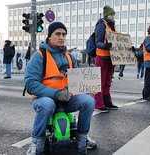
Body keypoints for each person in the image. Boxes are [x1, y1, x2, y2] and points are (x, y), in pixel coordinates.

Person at [24, 22, 97, 155]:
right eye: (57, 34)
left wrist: (87, 89)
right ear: (49, 37)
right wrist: (56, 94)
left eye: (64, 34)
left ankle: (82, 137)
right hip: (46, 99)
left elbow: (77, 82)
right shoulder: (39, 56)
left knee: (89, 101)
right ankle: (36, 141)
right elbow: (31, 84)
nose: (61, 37)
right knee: (46, 104)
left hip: (68, 99)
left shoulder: (70, 57)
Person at [93, 5, 119, 112]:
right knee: (100, 82)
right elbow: (97, 42)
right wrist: (105, 46)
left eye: (114, 14)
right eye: (112, 14)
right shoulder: (101, 25)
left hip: (111, 58)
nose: (113, 16)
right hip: (102, 57)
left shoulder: (113, 26)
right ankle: (99, 104)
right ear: (107, 15)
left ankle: (107, 102)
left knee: (108, 81)